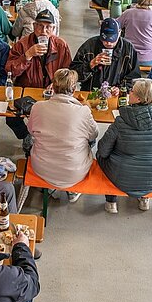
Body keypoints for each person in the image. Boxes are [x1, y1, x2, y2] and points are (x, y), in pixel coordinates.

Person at [97, 79, 152, 213]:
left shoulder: (121, 121)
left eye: (132, 91)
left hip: (122, 177)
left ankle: (111, 200)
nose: (129, 93)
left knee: (102, 153)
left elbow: (103, 151)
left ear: (138, 98)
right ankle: (144, 198)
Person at [28, 68, 99, 203]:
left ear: (53, 87)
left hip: (42, 168)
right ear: (74, 89)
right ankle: (72, 190)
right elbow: (94, 135)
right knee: (89, 140)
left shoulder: (37, 107)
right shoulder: (83, 111)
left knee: (29, 141)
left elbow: (31, 131)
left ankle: (49, 187)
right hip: (74, 172)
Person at [5, 10, 71, 142]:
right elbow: (10, 70)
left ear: (53, 29)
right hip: (27, 93)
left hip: (52, 94)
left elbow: (68, 72)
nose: (43, 31)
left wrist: (57, 83)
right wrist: (27, 55)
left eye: (48, 27)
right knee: (10, 117)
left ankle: (47, 139)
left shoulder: (61, 45)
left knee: (61, 117)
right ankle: (27, 136)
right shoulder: (22, 44)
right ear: (34, 26)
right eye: (40, 26)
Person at [70, 17, 140, 91]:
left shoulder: (128, 49)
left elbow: (135, 77)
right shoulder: (89, 46)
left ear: (119, 33)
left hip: (116, 95)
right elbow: (73, 75)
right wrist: (91, 64)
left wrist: (121, 89)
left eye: (112, 39)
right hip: (90, 92)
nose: (108, 43)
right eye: (105, 39)